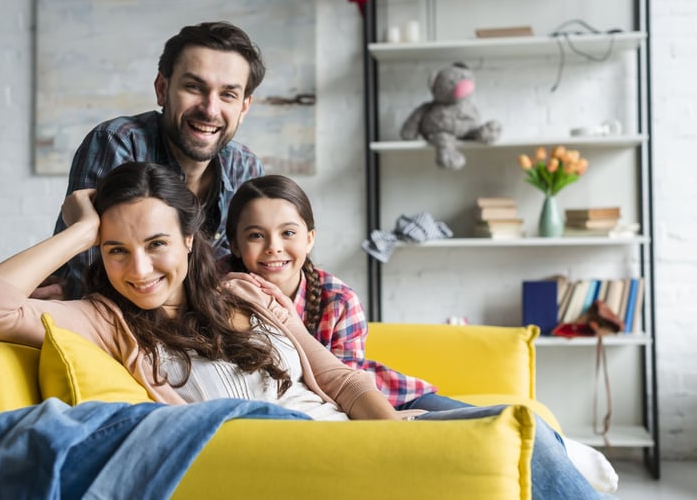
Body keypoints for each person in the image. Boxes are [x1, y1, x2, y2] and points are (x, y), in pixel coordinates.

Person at [0, 162, 608, 499]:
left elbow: (337, 376)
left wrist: (394, 436)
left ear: (190, 238)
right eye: (117, 251)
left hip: (361, 435)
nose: (138, 267)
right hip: (295, 454)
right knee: (529, 447)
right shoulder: (108, 320)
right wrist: (82, 229)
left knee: (529, 431)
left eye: (155, 243)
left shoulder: (243, 288)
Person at [222, 174, 618, 496]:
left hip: (391, 394)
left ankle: (569, 456)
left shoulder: (336, 297)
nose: (274, 248)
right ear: (236, 245)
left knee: (518, 424)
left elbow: (346, 380)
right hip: (353, 413)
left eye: (288, 233)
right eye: (256, 235)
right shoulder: (226, 298)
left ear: (310, 238)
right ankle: (563, 456)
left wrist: (398, 414)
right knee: (501, 432)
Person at [43, 21, 266, 300]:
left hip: (201, 331)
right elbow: (94, 280)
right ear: (162, 88)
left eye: (228, 94)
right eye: (194, 87)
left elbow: (251, 278)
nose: (210, 109)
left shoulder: (245, 166)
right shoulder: (117, 142)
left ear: (244, 107)